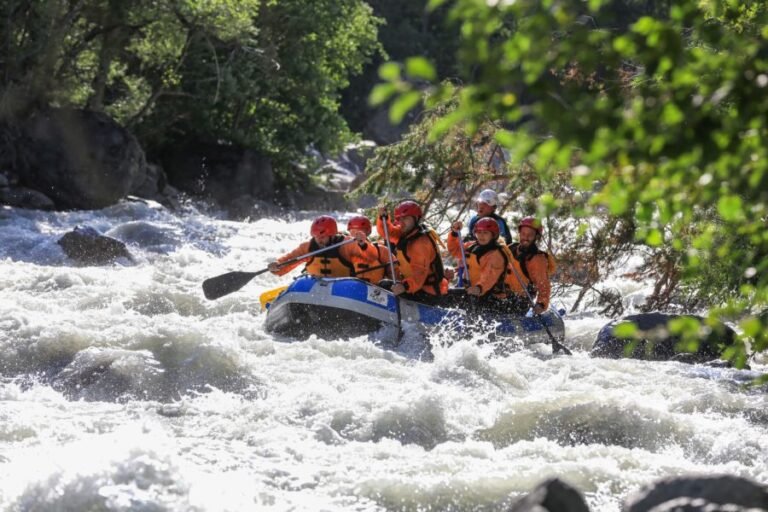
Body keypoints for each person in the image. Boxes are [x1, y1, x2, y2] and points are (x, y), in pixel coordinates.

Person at [376, 200, 446, 301]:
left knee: (385, 286)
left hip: (428, 292)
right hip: (414, 286)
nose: (401, 222)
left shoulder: (421, 243)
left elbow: (419, 273)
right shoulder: (407, 232)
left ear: (416, 218)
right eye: (399, 219)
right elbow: (387, 232)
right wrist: (384, 218)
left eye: (405, 218)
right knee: (384, 284)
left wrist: (405, 286)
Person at [268, 215, 356, 277]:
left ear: (332, 235)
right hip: (317, 285)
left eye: (322, 237)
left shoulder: (347, 244)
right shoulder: (307, 247)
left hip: (344, 287)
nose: (319, 240)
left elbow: (367, 259)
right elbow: (289, 259)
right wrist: (277, 265)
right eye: (316, 237)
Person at [447, 218, 509, 301]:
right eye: (479, 232)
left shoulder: (497, 254)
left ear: (493, 235)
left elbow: (490, 276)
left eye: (485, 233)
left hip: (490, 296)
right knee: (445, 295)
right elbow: (455, 250)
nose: (481, 235)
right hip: (472, 291)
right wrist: (454, 233)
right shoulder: (472, 246)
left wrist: (479, 288)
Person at [506, 216, 554, 315]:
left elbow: (543, 285)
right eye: (523, 234)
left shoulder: (537, 259)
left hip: (520, 300)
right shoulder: (510, 248)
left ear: (536, 236)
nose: (525, 238)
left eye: (530, 235)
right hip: (502, 294)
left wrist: (541, 304)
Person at [345, 215, 394, 284]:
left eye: (359, 231)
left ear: (368, 231)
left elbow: (395, 273)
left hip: (376, 291)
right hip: (351, 291)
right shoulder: (344, 251)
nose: (355, 235)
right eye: (352, 231)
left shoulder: (382, 251)